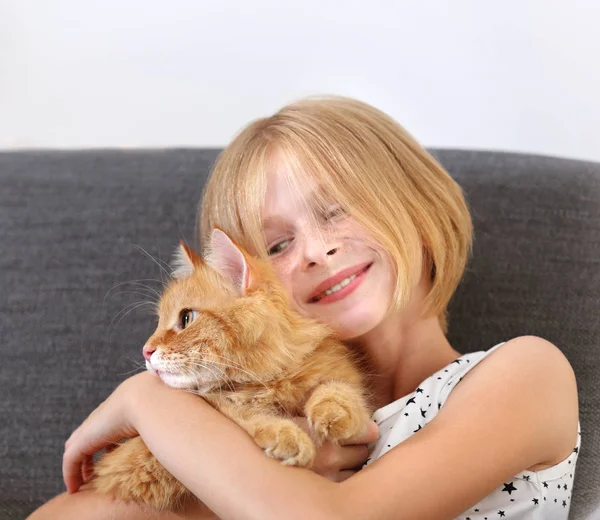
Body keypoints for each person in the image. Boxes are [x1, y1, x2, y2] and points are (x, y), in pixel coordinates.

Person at [28, 96, 580, 520]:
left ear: (419, 208)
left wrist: (144, 398)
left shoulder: (525, 373)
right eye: (275, 247)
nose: (318, 252)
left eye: (337, 210)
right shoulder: (249, 435)